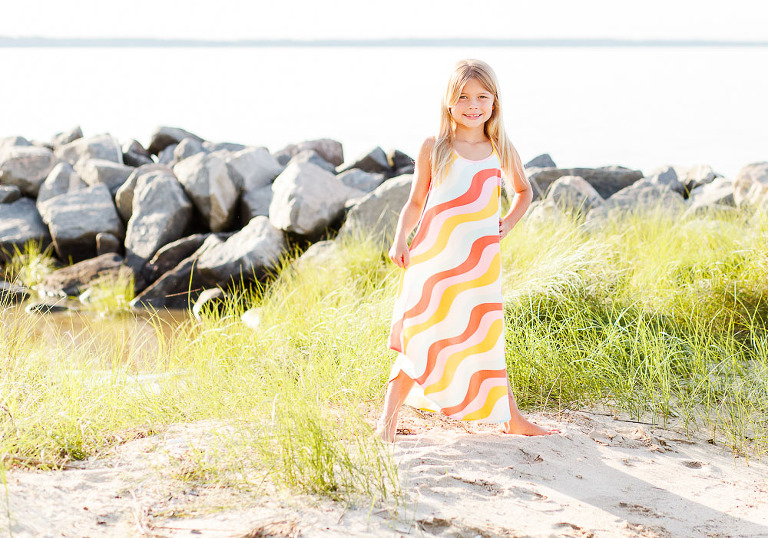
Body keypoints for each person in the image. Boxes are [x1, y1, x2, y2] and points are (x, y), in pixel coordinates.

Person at [376, 59, 558, 443]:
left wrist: (506, 223)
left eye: (481, 96)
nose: (472, 104)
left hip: (479, 266)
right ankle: (387, 421)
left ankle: (512, 418)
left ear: (494, 101)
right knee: (421, 334)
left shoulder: (500, 149)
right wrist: (399, 237)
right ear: (448, 102)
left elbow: (524, 192)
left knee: (485, 338)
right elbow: (414, 203)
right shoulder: (435, 147)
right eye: (463, 97)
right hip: (433, 261)